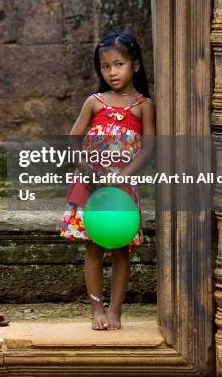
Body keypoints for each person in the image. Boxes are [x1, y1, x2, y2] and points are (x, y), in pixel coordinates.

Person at [60, 30, 156, 331]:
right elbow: (74, 139)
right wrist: (85, 165)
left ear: (135, 66)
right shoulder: (95, 102)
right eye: (105, 66)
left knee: (120, 249)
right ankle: (96, 308)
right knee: (92, 247)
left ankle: (115, 311)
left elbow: (150, 146)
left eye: (119, 64)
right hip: (91, 184)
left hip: (122, 187)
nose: (111, 72)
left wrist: (124, 177)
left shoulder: (143, 105)